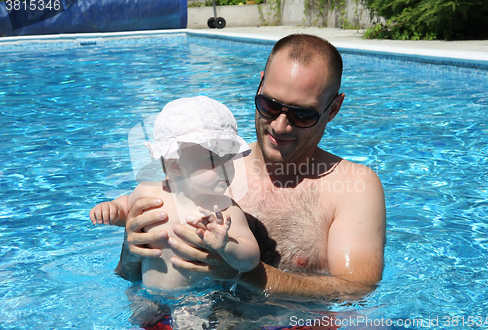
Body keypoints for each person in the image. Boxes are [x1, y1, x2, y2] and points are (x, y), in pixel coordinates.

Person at [114, 34, 386, 299]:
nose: (280, 125)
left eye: (302, 114)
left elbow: (357, 289)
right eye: (270, 105)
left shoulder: (353, 187)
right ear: (260, 85)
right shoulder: (204, 168)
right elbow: (131, 275)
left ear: (334, 108)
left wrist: (244, 274)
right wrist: (130, 256)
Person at [90, 96, 260, 291]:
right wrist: (112, 209)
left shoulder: (225, 210)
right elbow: (126, 209)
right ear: (174, 165)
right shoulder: (149, 193)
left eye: (229, 159)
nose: (226, 169)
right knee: (139, 315)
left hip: (198, 299)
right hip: (148, 297)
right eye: (213, 161)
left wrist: (227, 246)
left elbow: (251, 259)